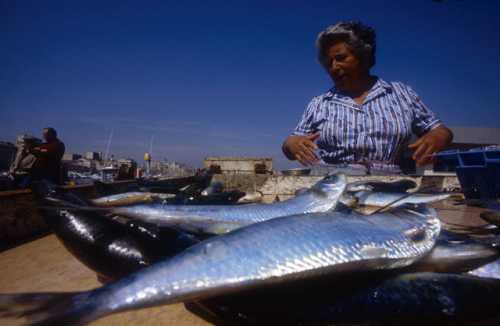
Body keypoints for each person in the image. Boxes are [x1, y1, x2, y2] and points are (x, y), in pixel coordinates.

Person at [282, 21, 453, 173]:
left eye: (341, 58)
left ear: (364, 56)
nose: (333, 67)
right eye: (328, 62)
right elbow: (290, 144)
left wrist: (438, 137)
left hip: (388, 185)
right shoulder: (319, 103)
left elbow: (440, 131)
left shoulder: (402, 93)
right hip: (332, 185)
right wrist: (292, 144)